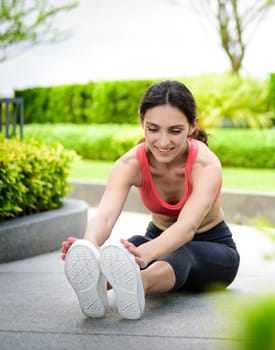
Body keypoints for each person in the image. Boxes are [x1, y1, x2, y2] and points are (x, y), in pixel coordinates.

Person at [60, 80, 240, 320]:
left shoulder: (205, 164)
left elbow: (187, 227)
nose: (163, 142)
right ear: (141, 121)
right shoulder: (129, 164)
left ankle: (139, 284)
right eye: (153, 129)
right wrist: (90, 246)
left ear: (192, 125)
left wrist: (143, 256)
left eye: (175, 131)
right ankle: (97, 283)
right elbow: (104, 217)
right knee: (128, 245)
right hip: (157, 239)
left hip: (214, 251)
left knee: (176, 252)